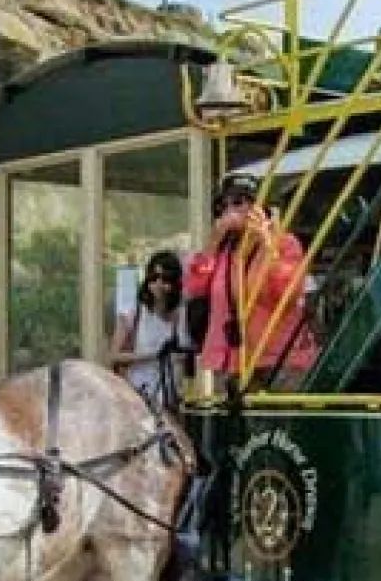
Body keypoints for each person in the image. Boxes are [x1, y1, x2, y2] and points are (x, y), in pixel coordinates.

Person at [185, 173, 317, 388]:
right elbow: (195, 288)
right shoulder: (223, 250)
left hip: (277, 362)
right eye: (223, 205)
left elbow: (286, 292)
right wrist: (212, 244)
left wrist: (266, 243)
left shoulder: (284, 243)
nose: (230, 210)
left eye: (238, 202)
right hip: (229, 360)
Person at [110, 249, 188, 409]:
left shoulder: (181, 315)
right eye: (154, 277)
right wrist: (152, 355)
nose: (158, 284)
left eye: (165, 279)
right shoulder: (133, 313)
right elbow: (113, 356)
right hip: (138, 395)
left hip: (169, 397)